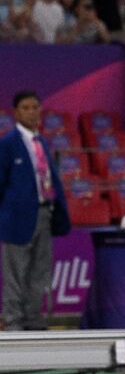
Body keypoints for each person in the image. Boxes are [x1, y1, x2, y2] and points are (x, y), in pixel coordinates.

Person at [0, 91, 70, 330]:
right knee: (15, 272)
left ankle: (32, 317)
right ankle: (12, 320)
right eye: (26, 107)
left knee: (39, 271)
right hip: (16, 218)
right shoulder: (8, 143)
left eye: (35, 107)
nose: (31, 112)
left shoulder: (41, 142)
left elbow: (49, 178)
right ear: (16, 112)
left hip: (43, 213)